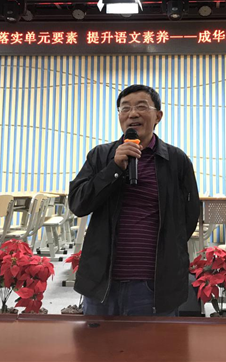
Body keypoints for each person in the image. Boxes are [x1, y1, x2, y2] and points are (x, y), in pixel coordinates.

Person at [68, 84, 200, 316]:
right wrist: (113, 169)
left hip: (155, 285)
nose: (132, 114)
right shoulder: (101, 156)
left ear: (158, 116)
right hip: (102, 283)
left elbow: (189, 216)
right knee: (97, 340)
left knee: (156, 341)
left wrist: (171, 247)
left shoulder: (176, 160)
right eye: (125, 108)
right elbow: (79, 204)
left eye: (141, 107)